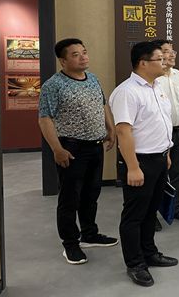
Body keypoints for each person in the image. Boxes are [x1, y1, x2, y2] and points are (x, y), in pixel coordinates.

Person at [38, 38, 117, 265]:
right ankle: (70, 244)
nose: (83, 57)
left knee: (91, 194)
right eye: (75, 54)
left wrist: (111, 129)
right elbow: (45, 119)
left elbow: (103, 104)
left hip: (95, 146)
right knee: (70, 198)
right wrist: (57, 149)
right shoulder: (53, 85)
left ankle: (89, 234)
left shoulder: (92, 78)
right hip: (71, 148)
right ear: (63, 61)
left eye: (84, 52)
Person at [109, 41, 178, 287]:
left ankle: (149, 253)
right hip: (139, 161)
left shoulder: (156, 87)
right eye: (159, 58)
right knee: (134, 215)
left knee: (150, 212)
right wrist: (133, 166)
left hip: (158, 157)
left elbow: (159, 123)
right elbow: (123, 132)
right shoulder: (127, 92)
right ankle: (135, 263)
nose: (165, 61)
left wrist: (165, 153)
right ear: (143, 63)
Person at [154, 39, 179, 223]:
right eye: (165, 51)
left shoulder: (178, 75)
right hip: (158, 133)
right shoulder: (153, 78)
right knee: (156, 175)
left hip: (178, 130)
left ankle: (175, 209)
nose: (171, 55)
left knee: (176, 173)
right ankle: (151, 215)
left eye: (172, 51)